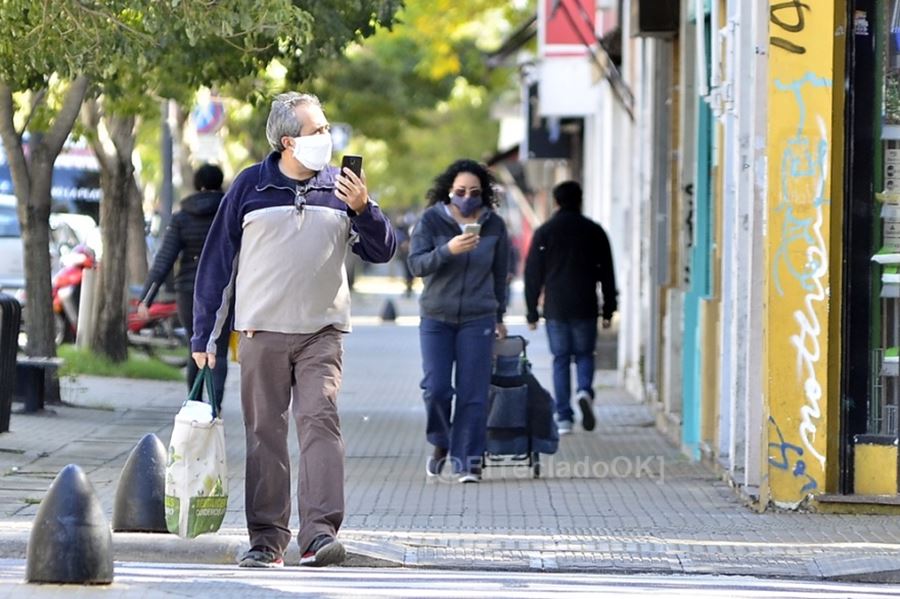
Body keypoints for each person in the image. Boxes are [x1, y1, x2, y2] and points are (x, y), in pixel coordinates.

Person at [190, 92, 396, 568]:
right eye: (317, 130)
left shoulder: (343, 189)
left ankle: (320, 534)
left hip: (321, 334)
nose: (328, 137)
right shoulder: (249, 188)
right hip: (260, 332)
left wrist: (365, 209)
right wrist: (205, 338)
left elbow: (382, 250)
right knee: (265, 432)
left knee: (320, 422)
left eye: (326, 128)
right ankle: (266, 540)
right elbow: (216, 265)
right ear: (288, 141)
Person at [408, 159, 509, 484]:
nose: (467, 197)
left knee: (474, 392)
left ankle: (468, 460)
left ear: (485, 194)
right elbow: (416, 265)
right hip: (437, 316)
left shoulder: (494, 226)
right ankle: (441, 441)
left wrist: (499, 316)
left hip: (478, 317)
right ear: (449, 191)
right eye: (461, 191)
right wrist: (448, 250)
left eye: (475, 192)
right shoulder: (431, 221)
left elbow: (500, 275)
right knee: (437, 389)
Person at [524, 180, 617, 435]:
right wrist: (609, 309)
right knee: (585, 354)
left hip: (556, 307)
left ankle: (564, 416)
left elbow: (533, 274)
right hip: (586, 304)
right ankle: (584, 390)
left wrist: (532, 311)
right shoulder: (594, 231)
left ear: (555, 202)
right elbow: (607, 273)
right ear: (580, 200)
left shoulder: (545, 232)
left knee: (561, 360)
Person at [138, 164, 230, 403]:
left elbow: (165, 258)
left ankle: (194, 404)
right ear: (220, 185)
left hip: (189, 291)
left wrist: (147, 297)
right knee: (218, 349)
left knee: (196, 345)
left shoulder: (182, 217)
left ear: (198, 185)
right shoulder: (230, 212)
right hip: (225, 289)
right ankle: (215, 408)